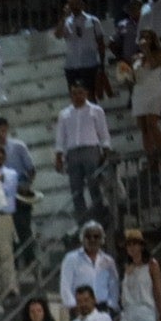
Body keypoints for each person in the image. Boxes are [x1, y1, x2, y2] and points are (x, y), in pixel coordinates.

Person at [54, 81, 111, 226]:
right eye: (74, 93)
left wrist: (105, 150)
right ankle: (83, 223)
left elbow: (103, 133)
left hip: (91, 150)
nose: (77, 96)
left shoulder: (96, 110)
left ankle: (100, 219)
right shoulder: (64, 114)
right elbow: (61, 137)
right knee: (76, 190)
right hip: (72, 153)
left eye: (80, 93)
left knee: (94, 186)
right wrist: (58, 156)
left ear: (86, 93)